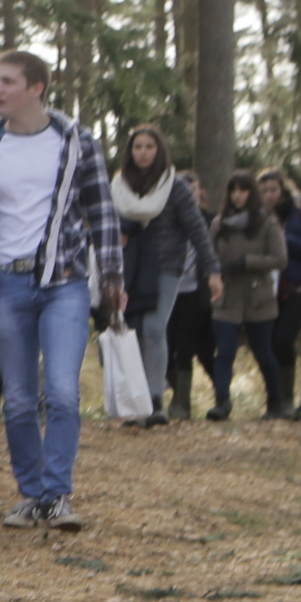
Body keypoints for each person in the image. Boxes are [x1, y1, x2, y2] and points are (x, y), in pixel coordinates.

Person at [0, 49, 124, 529]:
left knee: (63, 392)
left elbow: (102, 212)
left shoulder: (76, 141)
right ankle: (30, 494)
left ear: (36, 88)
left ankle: (58, 494)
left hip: (64, 282)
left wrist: (112, 278)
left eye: (7, 81)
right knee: (20, 398)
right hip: (5, 283)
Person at [111, 125, 218, 428]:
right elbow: (104, 221)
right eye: (137, 147)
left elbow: (197, 229)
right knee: (131, 329)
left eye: (149, 146)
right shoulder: (120, 185)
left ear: (159, 150)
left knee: (155, 328)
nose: (143, 152)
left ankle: (155, 398)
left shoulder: (175, 186)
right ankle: (135, 400)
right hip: (128, 268)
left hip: (167, 266)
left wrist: (212, 270)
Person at [206, 172, 287, 420]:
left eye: (243, 190)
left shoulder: (266, 223)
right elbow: (208, 255)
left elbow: (280, 258)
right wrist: (215, 272)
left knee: (263, 352)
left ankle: (276, 402)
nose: (238, 196)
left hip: (257, 296)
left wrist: (249, 262)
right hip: (227, 295)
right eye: (234, 191)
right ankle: (222, 401)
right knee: (225, 351)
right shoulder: (219, 224)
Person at [261, 168, 301, 417]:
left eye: (273, 190)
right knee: (267, 344)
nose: (269, 196)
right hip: (265, 290)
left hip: (297, 288)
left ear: (283, 190)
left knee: (283, 339)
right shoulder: (256, 219)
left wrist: (285, 240)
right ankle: (274, 401)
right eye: (263, 191)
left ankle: (287, 399)